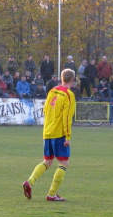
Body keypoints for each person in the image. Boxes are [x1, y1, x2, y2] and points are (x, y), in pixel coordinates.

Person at [22, 69, 76, 202]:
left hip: (47, 131)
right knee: (64, 163)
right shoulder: (69, 95)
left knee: (47, 161)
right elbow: (67, 116)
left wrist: (48, 127)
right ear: (73, 80)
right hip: (59, 133)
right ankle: (52, 193)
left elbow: (45, 109)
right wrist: (68, 136)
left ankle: (30, 181)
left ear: (62, 78)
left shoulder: (52, 90)